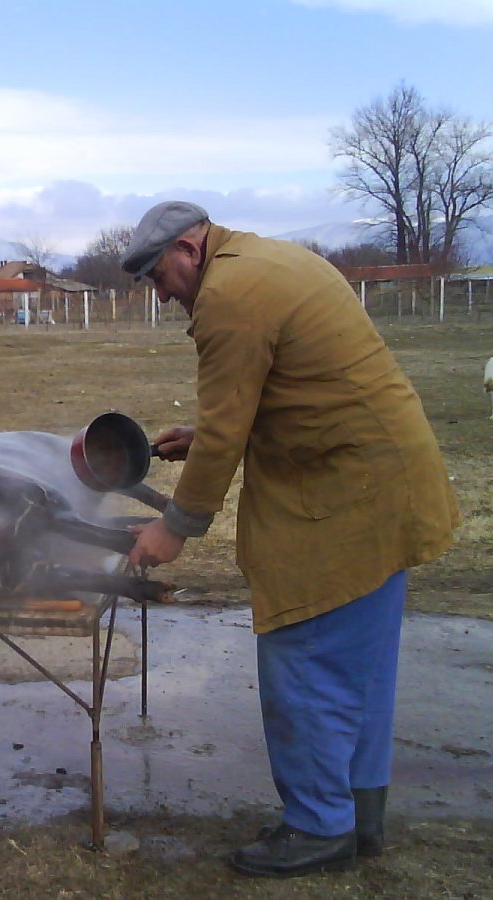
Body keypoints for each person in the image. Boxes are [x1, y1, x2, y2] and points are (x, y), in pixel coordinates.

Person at [122, 200, 460, 878]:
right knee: (358, 676)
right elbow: (293, 383)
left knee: (304, 661)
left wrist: (173, 528)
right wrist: (207, 435)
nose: (161, 295)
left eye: (159, 277)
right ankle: (357, 817)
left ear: (189, 248)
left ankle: (317, 827)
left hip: (341, 499)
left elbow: (228, 427)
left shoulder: (228, 295)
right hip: (385, 484)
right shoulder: (269, 259)